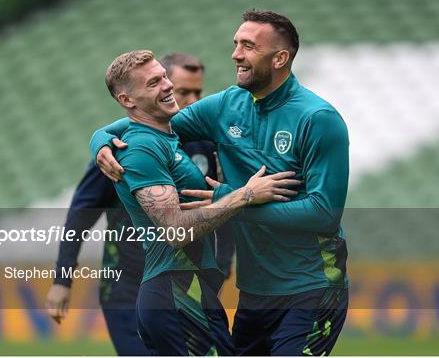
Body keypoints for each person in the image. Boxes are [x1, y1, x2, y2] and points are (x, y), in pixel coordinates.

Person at [91, 10, 350, 356]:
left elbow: (324, 214)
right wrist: (100, 140)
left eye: (248, 46)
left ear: (280, 58)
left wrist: (233, 203)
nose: (236, 54)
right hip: (255, 292)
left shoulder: (318, 119)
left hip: (312, 287)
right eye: (236, 44)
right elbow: (150, 125)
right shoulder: (227, 105)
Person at [101, 50, 299, 356]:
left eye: (164, 77)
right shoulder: (141, 149)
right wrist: (246, 195)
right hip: (177, 292)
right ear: (128, 100)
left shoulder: (166, 137)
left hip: (189, 289)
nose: (167, 86)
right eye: (153, 83)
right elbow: (175, 231)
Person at [45, 53, 234, 355]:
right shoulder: (118, 149)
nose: (191, 99)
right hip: (128, 286)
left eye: (197, 92)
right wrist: (62, 278)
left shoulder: (202, 143)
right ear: (134, 97)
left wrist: (220, 268)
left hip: (190, 285)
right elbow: (81, 214)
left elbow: (214, 209)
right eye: (184, 91)